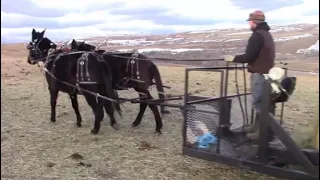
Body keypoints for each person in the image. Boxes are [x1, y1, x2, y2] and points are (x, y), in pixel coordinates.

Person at [224, 10, 275, 140]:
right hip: (266, 73)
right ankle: (256, 127)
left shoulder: (257, 36)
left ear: (253, 22)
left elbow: (249, 56)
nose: (249, 24)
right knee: (262, 102)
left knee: (259, 103)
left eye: (250, 22)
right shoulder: (267, 34)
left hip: (259, 73)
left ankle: (260, 133)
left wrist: (233, 58)